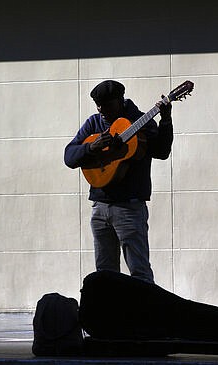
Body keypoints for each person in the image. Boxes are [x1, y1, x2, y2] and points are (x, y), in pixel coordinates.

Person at [64, 80, 173, 284]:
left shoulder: (140, 121)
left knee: (139, 272)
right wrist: (91, 148)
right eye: (98, 105)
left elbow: (162, 151)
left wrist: (165, 120)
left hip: (130, 208)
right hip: (100, 207)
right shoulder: (94, 123)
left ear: (120, 101)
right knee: (105, 273)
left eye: (106, 104)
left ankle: (143, 315)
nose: (101, 110)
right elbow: (69, 157)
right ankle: (110, 316)